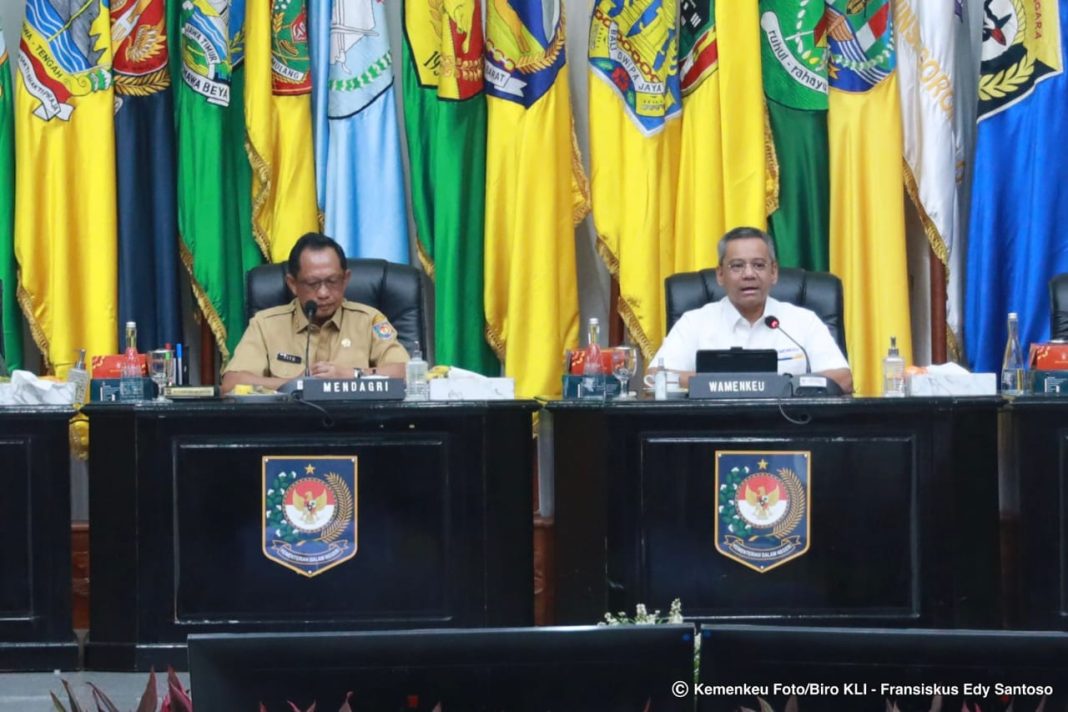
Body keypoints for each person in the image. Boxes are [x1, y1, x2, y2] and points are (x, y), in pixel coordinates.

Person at [649, 226, 853, 394]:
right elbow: (653, 378)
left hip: (788, 432)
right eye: (737, 266)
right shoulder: (695, 322)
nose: (749, 274)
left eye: (758, 265)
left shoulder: (802, 321)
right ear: (720, 275)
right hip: (712, 431)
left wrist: (777, 384)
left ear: (773, 272)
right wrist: (717, 383)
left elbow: (843, 379)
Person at [221, 233, 409, 394]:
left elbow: (406, 373)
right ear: (292, 284)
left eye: (332, 281)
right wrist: (298, 384)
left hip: (356, 428)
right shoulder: (266, 324)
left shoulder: (369, 320)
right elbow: (231, 384)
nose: (323, 293)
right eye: (312, 284)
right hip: (289, 429)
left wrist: (350, 376)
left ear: (346, 279)